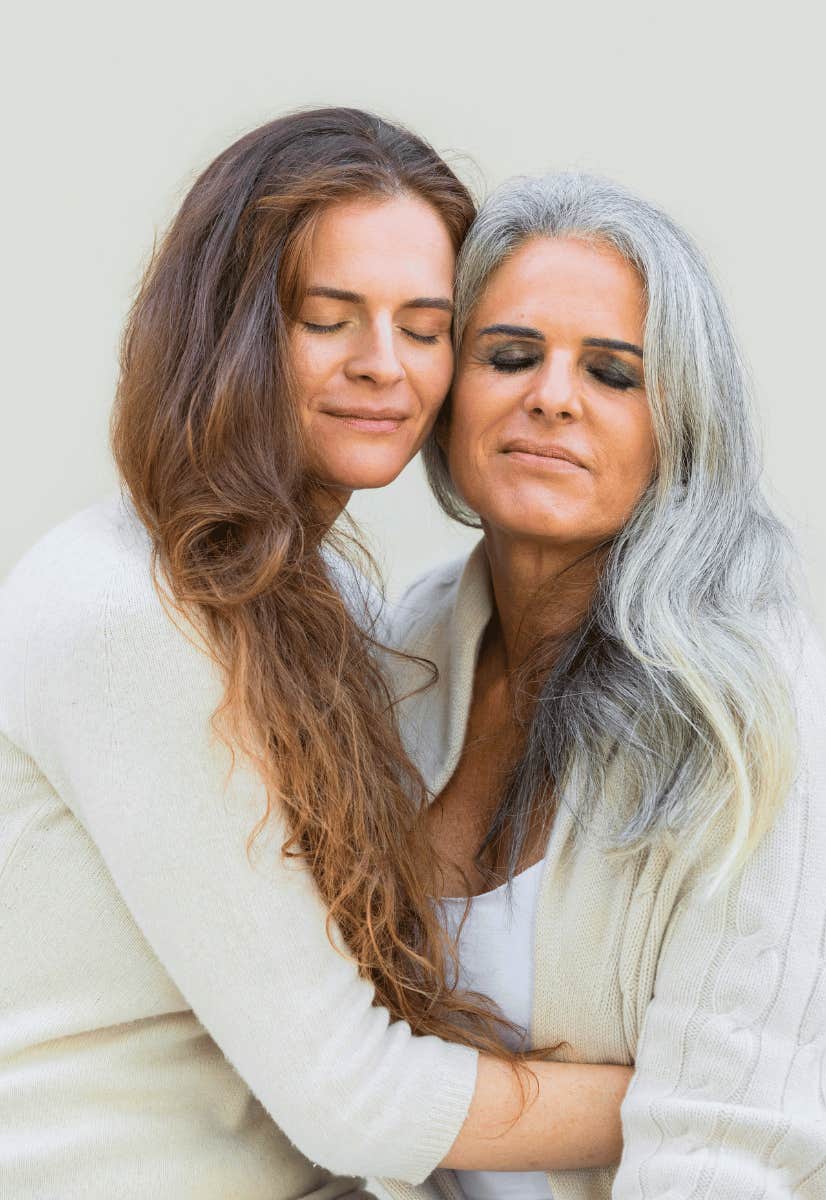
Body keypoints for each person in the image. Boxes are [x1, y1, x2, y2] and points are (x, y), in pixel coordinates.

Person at [0, 113, 631, 1199]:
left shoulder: (330, 601)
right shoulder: (120, 612)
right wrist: (730, 1079)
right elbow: (353, 1096)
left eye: (426, 328)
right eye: (327, 319)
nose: (383, 368)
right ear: (230, 332)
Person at [385, 172, 826, 1200]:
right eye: (509, 356)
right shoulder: (398, 653)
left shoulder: (750, 699)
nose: (551, 395)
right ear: (447, 392)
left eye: (613, 374)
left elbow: (733, 1142)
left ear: (679, 428)